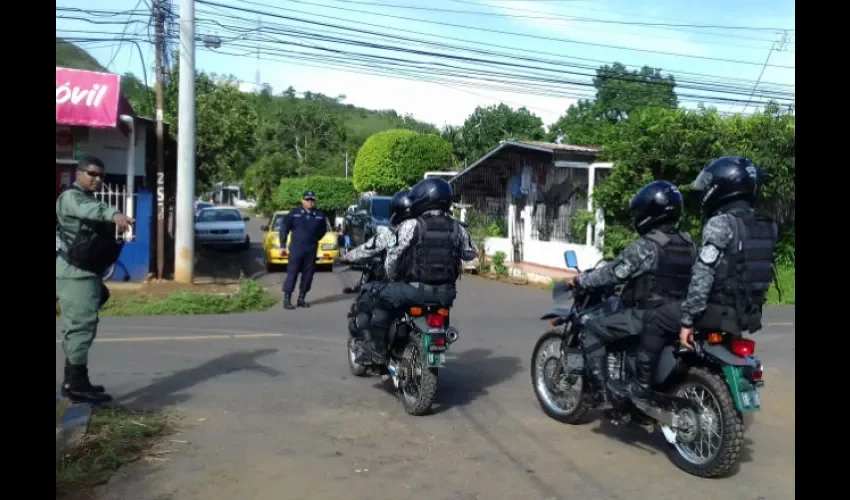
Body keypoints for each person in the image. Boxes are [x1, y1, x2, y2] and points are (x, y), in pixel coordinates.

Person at [628, 156, 778, 400]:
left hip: (717, 309)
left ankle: (642, 386)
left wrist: (688, 321)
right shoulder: (767, 224)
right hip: (748, 312)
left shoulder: (721, 223)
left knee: (656, 317)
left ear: (720, 188)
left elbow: (703, 272)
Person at [566, 180, 697, 405]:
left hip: (645, 315)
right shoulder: (689, 243)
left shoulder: (647, 245)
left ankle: (602, 395)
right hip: (677, 314)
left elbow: (613, 273)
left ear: (649, 213)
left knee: (591, 327)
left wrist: (581, 280)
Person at [365, 178, 478, 364]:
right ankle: (439, 341)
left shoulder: (412, 225)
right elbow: (470, 254)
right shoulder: (457, 227)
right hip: (446, 293)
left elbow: (393, 256)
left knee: (379, 297)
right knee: (440, 310)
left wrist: (393, 277)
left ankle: (379, 352)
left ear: (423, 199)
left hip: (415, 290)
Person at [57, 155, 133, 404]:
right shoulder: (72, 197)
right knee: (80, 326)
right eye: (92, 174)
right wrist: (114, 213)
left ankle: (77, 380)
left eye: (101, 175)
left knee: (84, 322)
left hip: (85, 272)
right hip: (75, 272)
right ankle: (75, 384)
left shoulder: (87, 198)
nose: (97, 179)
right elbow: (91, 211)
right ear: (79, 173)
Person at [339, 189, 413, 363]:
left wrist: (346, 257)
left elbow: (367, 249)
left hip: (395, 285)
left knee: (366, 305)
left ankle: (375, 351)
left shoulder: (390, 232)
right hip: (423, 287)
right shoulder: (424, 229)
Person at [280, 191, 328, 309]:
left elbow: (323, 230)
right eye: (307, 200)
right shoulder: (294, 213)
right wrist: (282, 244)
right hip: (297, 247)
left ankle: (301, 298)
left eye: (312, 200)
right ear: (302, 201)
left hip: (311, 248)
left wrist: (314, 239)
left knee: (308, 274)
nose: (310, 202)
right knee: (292, 272)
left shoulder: (319, 215)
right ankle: (287, 299)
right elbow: (284, 228)